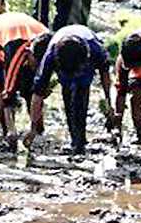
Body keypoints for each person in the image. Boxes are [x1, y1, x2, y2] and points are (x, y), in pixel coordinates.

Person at [28, 25, 115, 154]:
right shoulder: (50, 56)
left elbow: (105, 75)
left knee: (82, 94)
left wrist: (109, 102)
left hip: (84, 68)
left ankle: (80, 140)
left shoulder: (96, 49)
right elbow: (38, 94)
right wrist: (33, 128)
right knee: (67, 95)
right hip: (65, 67)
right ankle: (75, 140)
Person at [0, 12, 51, 150]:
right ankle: (6, 133)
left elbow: (39, 92)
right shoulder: (16, 55)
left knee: (31, 90)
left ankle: (40, 130)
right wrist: (12, 129)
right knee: (3, 86)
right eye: (36, 65)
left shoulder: (50, 47)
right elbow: (8, 93)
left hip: (27, 31)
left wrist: (34, 130)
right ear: (29, 54)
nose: (37, 68)